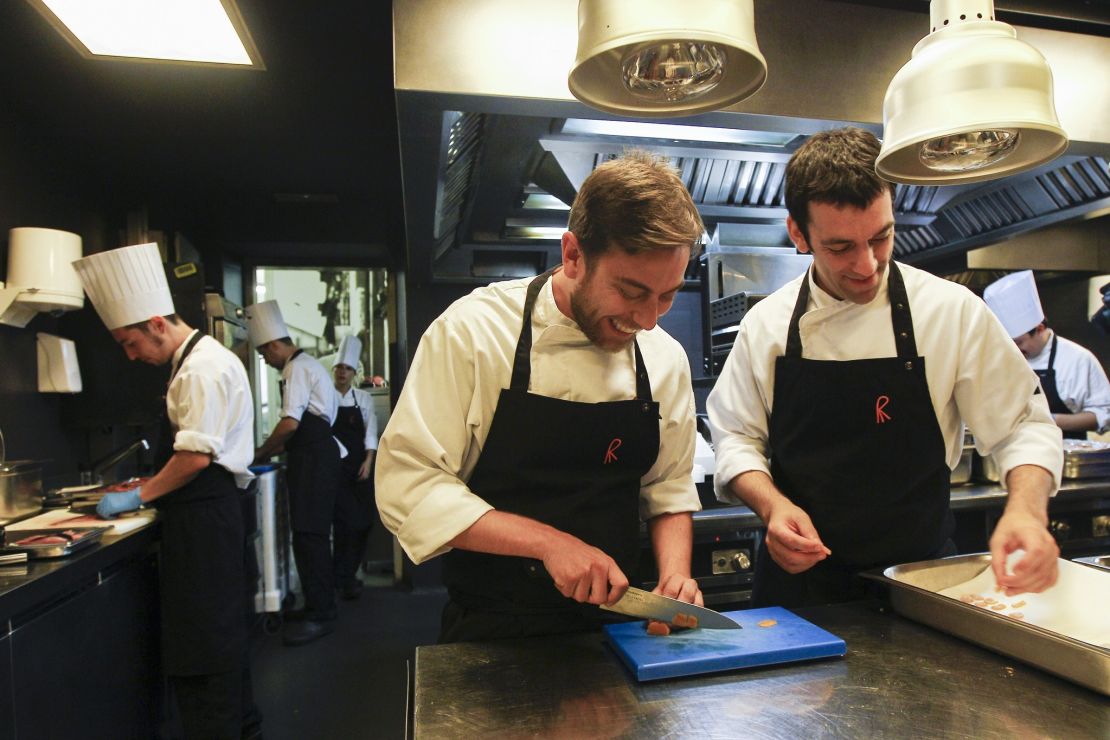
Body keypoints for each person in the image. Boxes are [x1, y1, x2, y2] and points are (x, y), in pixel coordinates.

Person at [706, 128, 1064, 609]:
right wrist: (773, 507)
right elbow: (736, 438)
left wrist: (1026, 510)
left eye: (882, 237)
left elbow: (1021, 426)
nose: (868, 265)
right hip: (800, 589)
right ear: (798, 234)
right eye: (840, 248)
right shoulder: (766, 326)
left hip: (921, 581)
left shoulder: (949, 311)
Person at [376, 150, 705, 642]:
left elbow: (668, 488)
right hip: (496, 628)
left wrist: (675, 577)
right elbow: (410, 484)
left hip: (620, 631)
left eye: (668, 294)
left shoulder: (663, 357)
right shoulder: (474, 332)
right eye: (632, 292)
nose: (650, 319)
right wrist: (547, 543)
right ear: (573, 255)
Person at [72, 243, 261, 740]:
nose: (131, 356)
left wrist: (141, 495)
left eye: (129, 343)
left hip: (206, 520)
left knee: (207, 649)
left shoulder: (200, 369)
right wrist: (150, 484)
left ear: (156, 323)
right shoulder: (191, 361)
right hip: (209, 516)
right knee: (218, 644)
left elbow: (196, 457)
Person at [248, 299, 343, 646]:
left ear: (274, 345)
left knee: (310, 535)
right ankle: (317, 605)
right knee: (309, 535)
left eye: (263, 354)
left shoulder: (296, 369)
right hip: (315, 457)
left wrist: (258, 452)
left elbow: (290, 424)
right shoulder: (305, 365)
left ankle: (322, 614)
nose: (266, 361)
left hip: (314, 458)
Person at [984, 270, 1110, 440]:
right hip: (1013, 451)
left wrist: (1051, 421)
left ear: (1040, 329)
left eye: (1019, 342)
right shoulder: (1004, 360)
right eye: (1010, 344)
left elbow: (1104, 414)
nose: (1016, 350)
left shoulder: (1077, 359)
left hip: (1064, 457)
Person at [331, 334, 379, 600]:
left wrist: (368, 461)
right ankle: (342, 578)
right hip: (335, 470)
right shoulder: (325, 396)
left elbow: (370, 430)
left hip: (360, 468)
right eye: (339, 368)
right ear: (334, 370)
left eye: (347, 368)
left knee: (362, 523)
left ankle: (349, 573)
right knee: (343, 525)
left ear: (354, 372)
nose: (342, 373)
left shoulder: (363, 398)